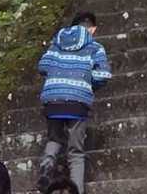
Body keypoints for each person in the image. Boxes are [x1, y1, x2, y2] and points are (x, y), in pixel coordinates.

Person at [37, 12, 110, 192]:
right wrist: (86, 83)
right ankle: (76, 190)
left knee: (54, 138)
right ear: (92, 29)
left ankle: (46, 167)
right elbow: (103, 75)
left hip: (53, 98)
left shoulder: (57, 43)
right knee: (76, 152)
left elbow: (43, 66)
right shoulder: (95, 47)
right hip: (78, 100)